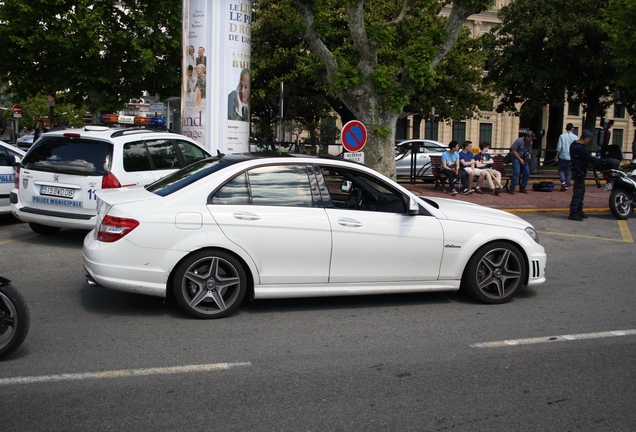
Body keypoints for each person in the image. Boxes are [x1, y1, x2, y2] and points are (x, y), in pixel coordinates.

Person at [568, 129, 602, 221]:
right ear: (586, 138)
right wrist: (600, 161)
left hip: (577, 171)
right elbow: (588, 157)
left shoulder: (573, 145)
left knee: (581, 191)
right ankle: (574, 212)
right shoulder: (579, 148)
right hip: (579, 172)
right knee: (578, 192)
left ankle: (579, 210)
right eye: (589, 139)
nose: (588, 141)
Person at [556, 123, 577, 191]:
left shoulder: (562, 136)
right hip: (571, 157)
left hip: (563, 156)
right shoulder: (575, 137)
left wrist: (556, 156)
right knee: (568, 171)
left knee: (561, 170)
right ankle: (567, 184)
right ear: (572, 129)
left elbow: (559, 147)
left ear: (566, 128)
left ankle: (563, 182)